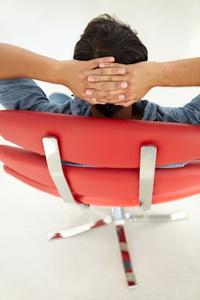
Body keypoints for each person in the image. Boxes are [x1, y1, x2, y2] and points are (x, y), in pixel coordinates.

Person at [0, 14, 199, 168]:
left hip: (80, 179)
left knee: (56, 99)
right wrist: (158, 73)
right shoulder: (184, 128)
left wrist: (58, 72)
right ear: (142, 79)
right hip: (143, 190)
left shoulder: (45, 126)